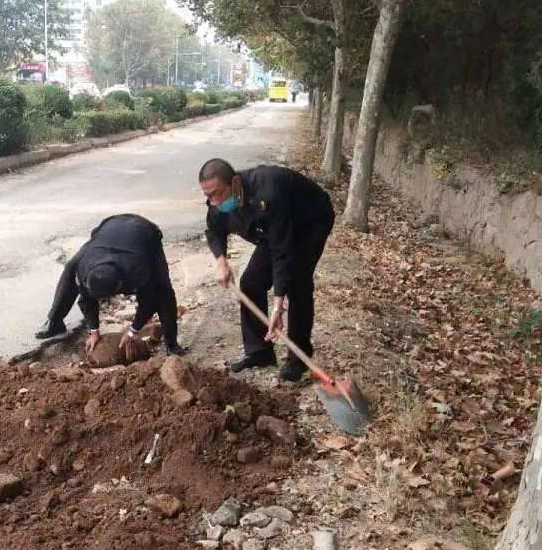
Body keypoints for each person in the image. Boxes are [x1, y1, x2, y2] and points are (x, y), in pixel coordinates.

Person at [199, 158, 334, 382]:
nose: (214, 201)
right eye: (208, 196)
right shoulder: (218, 203)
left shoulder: (267, 192)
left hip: (310, 221)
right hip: (271, 228)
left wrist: (277, 305)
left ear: (235, 183)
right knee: (251, 282)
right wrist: (220, 261)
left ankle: (298, 359)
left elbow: (282, 250)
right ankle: (259, 352)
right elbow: (214, 230)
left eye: (217, 194)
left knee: (297, 283)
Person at [35, 214, 182, 358]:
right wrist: (94, 331)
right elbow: (85, 299)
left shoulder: (137, 269)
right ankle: (55, 321)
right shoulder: (85, 269)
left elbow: (150, 302)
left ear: (119, 286)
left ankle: (171, 345)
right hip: (106, 232)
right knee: (70, 268)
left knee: (163, 291)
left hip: (142, 232)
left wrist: (133, 331)